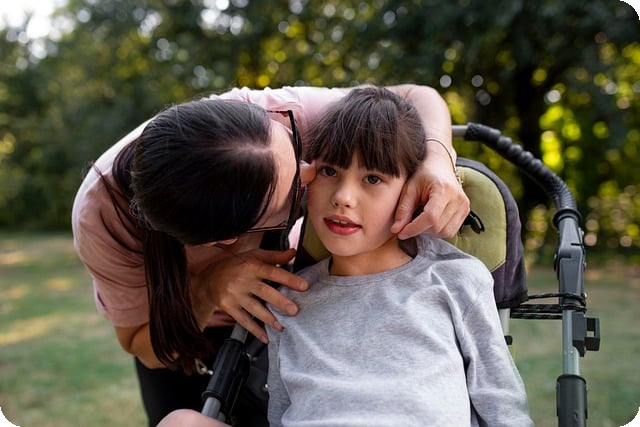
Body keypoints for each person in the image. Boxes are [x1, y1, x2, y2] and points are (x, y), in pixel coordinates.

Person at [71, 84, 469, 426]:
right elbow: (140, 342)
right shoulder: (102, 218)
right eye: (296, 189)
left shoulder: (271, 120)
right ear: (231, 239)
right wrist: (209, 290)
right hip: (185, 338)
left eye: (296, 149)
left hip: (282, 312)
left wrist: (438, 157)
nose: (313, 172)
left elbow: (415, 95)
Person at [265, 87, 534, 426]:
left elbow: (503, 408)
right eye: (329, 171)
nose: (343, 197)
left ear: (413, 191)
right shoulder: (287, 302)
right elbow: (278, 414)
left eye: (372, 178)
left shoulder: (455, 280)